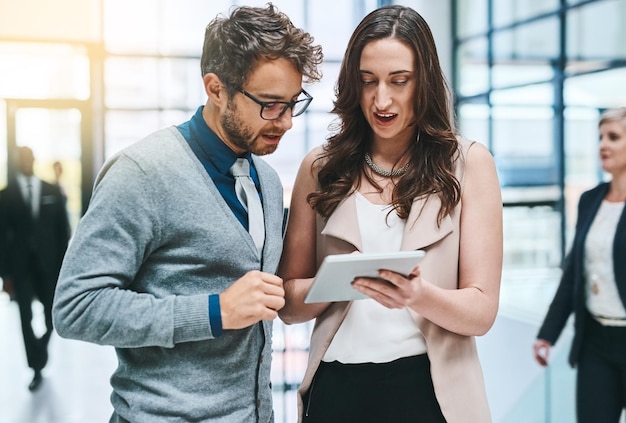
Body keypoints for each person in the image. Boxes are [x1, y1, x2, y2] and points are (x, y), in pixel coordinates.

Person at [52, 4, 322, 422]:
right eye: (270, 105)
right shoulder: (142, 173)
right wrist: (215, 311)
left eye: (292, 103)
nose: (285, 122)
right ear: (216, 89)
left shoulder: (266, 179)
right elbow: (77, 308)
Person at [278, 5, 502, 423]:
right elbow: (288, 304)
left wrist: (418, 296)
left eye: (399, 81)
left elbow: (482, 311)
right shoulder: (320, 167)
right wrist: (335, 281)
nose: (382, 100)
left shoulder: (469, 164)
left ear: (425, 82)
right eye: (368, 82)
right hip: (337, 387)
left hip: (429, 390)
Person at [533, 107, 626, 423]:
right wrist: (549, 332)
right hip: (595, 341)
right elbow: (574, 273)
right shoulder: (591, 200)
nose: (603, 145)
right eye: (601, 137)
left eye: (613, 137)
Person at [0, 146, 71, 391]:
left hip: (49, 266)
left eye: (30, 157)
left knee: (54, 316)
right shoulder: (5, 195)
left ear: (34, 160)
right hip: (20, 268)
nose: (27, 162)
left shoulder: (51, 191)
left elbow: (63, 232)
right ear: (18, 162)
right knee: (25, 318)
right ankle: (36, 367)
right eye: (22, 159)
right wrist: (5, 275)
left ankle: (40, 349)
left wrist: (66, 268)